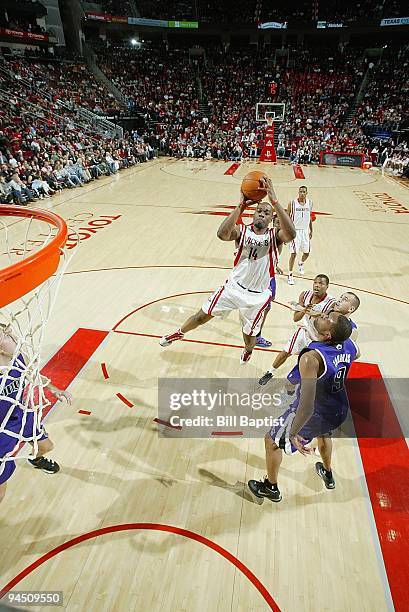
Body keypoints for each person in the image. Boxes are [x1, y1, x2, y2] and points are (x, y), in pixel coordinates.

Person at [159, 179, 296, 364]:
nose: (262, 214)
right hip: (233, 288)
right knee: (201, 315)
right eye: (259, 211)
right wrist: (240, 205)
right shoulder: (241, 232)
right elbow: (221, 234)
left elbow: (292, 234)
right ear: (253, 214)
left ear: (272, 218)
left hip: (257, 296)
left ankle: (248, 350)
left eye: (266, 213)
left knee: (249, 336)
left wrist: (275, 201)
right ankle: (179, 333)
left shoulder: (276, 237)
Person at [248, 311, 359, 503]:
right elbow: (357, 354)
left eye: (327, 319)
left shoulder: (311, 358)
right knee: (325, 435)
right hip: (339, 407)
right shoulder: (349, 344)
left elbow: (306, 406)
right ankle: (327, 472)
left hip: (316, 412)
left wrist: (293, 433)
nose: (323, 315)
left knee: (271, 441)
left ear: (327, 336)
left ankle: (271, 487)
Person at [0, 324, 72, 506]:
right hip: (2, 428)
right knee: (1, 489)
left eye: (10, 333)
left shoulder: (18, 358)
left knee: (47, 446)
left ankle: (36, 459)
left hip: (21, 415)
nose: (15, 338)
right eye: (7, 336)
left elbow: (33, 374)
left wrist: (54, 390)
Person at [259, 274, 335, 384]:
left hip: (320, 337)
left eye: (321, 283)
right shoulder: (305, 295)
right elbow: (295, 318)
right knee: (286, 351)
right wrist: (304, 310)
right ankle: (270, 372)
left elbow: (328, 319)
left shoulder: (331, 302)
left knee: (311, 363)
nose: (317, 285)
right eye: (315, 282)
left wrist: (314, 313)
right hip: (305, 331)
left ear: (327, 286)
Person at [255, 213, 284, 348]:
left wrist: (275, 266)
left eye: (281, 223)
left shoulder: (280, 239)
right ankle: (256, 335)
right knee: (262, 307)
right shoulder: (267, 237)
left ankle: (255, 332)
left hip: (270, 276)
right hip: (262, 278)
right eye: (277, 223)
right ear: (273, 223)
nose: (279, 225)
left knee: (267, 306)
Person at [287, 185, 313, 285]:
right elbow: (287, 217)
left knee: (307, 253)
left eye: (304, 192)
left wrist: (311, 230)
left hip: (305, 231)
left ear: (306, 193)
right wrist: (287, 231)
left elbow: (309, 217)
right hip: (295, 231)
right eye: (300, 191)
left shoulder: (310, 203)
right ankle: (290, 274)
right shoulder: (292, 203)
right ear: (298, 192)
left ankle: (301, 263)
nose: (302, 193)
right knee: (293, 253)